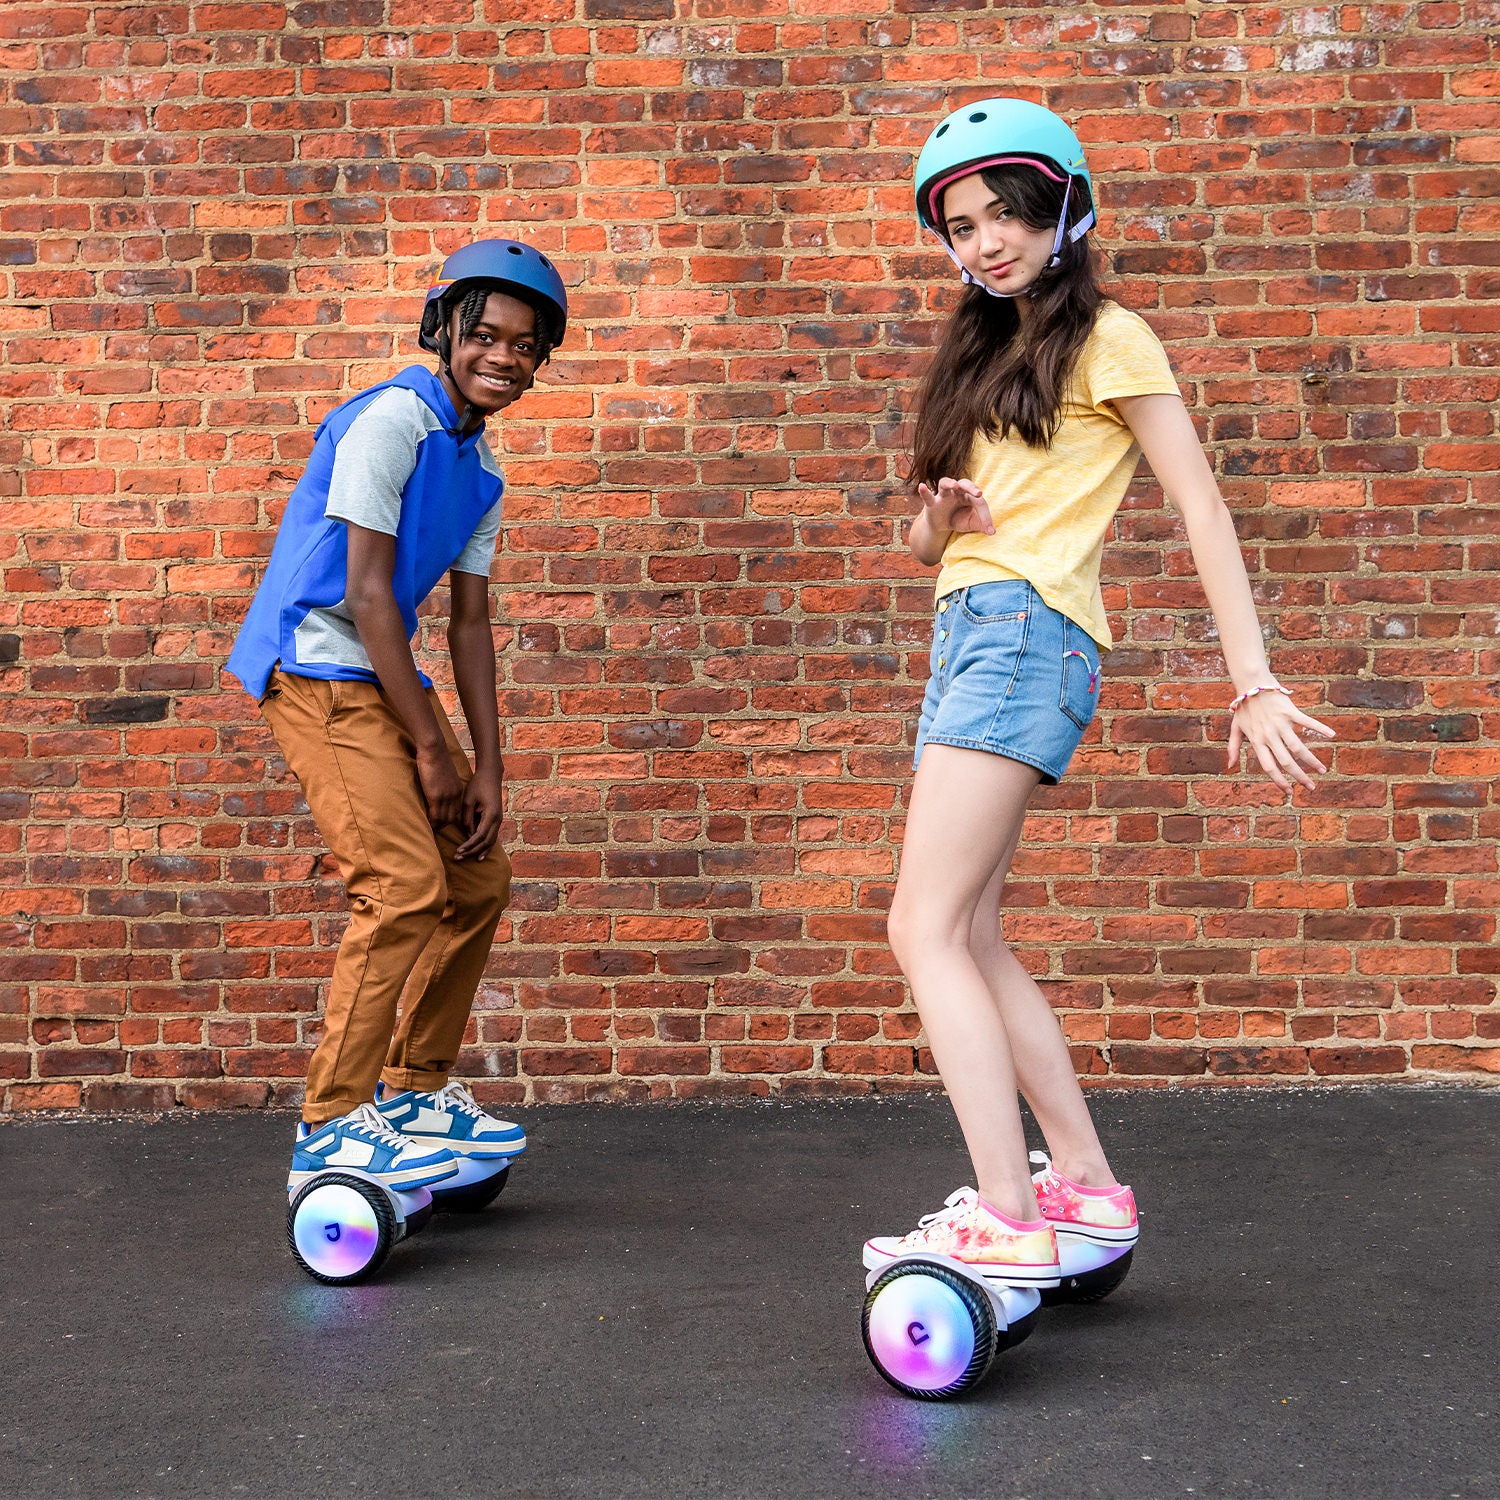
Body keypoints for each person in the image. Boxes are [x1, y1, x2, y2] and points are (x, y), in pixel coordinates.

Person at [863, 100, 1336, 1287]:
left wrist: (1251, 678)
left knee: (918, 927)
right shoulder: (981, 354)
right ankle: (1078, 1185)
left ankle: (1008, 1215)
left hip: (1023, 635)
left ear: (1063, 205)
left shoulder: (1110, 335)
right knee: (967, 928)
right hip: (973, 625)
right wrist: (940, 516)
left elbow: (1199, 504)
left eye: (1006, 213)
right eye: (962, 224)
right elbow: (934, 549)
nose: (986, 241)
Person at [225, 238, 568, 1194]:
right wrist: (431, 748)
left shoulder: (480, 467)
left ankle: (415, 1091)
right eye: (487, 335)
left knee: (477, 874)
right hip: (314, 665)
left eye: (526, 346)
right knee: (404, 886)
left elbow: (469, 625)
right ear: (445, 332)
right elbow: (372, 596)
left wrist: (486, 769)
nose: (504, 357)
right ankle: (331, 1125)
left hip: (380, 675)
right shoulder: (393, 422)